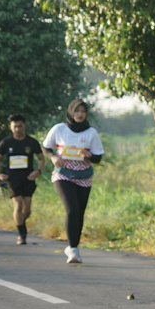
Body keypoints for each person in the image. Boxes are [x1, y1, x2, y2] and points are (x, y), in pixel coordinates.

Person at [42, 99, 104, 264]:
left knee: (79, 213)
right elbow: (46, 147)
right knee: (72, 209)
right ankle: (73, 249)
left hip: (84, 175)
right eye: (76, 111)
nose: (80, 114)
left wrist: (89, 155)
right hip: (63, 173)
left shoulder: (91, 132)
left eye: (83, 111)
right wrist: (53, 157)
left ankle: (74, 247)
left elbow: (98, 157)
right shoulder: (59, 129)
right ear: (70, 112)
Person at [0, 114, 45, 245]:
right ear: (10, 127)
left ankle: (21, 222)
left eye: (20, 126)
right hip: (13, 178)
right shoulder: (6, 142)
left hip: (28, 177)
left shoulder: (32, 142)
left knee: (26, 209)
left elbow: (41, 158)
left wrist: (38, 171)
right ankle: (22, 235)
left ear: (24, 126)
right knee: (18, 204)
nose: (17, 129)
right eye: (15, 126)